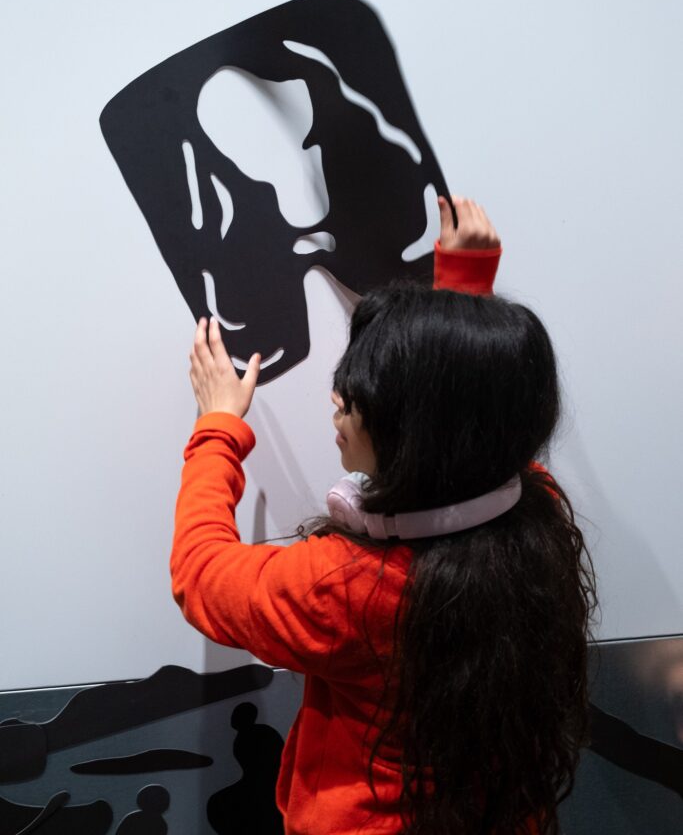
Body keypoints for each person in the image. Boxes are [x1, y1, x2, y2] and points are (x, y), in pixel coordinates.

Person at [171, 195, 596, 835]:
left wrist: (217, 429)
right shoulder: (535, 508)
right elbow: (475, 416)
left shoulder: (343, 588)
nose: (335, 400)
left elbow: (203, 575)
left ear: (412, 435)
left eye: (358, 398)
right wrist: (463, 293)